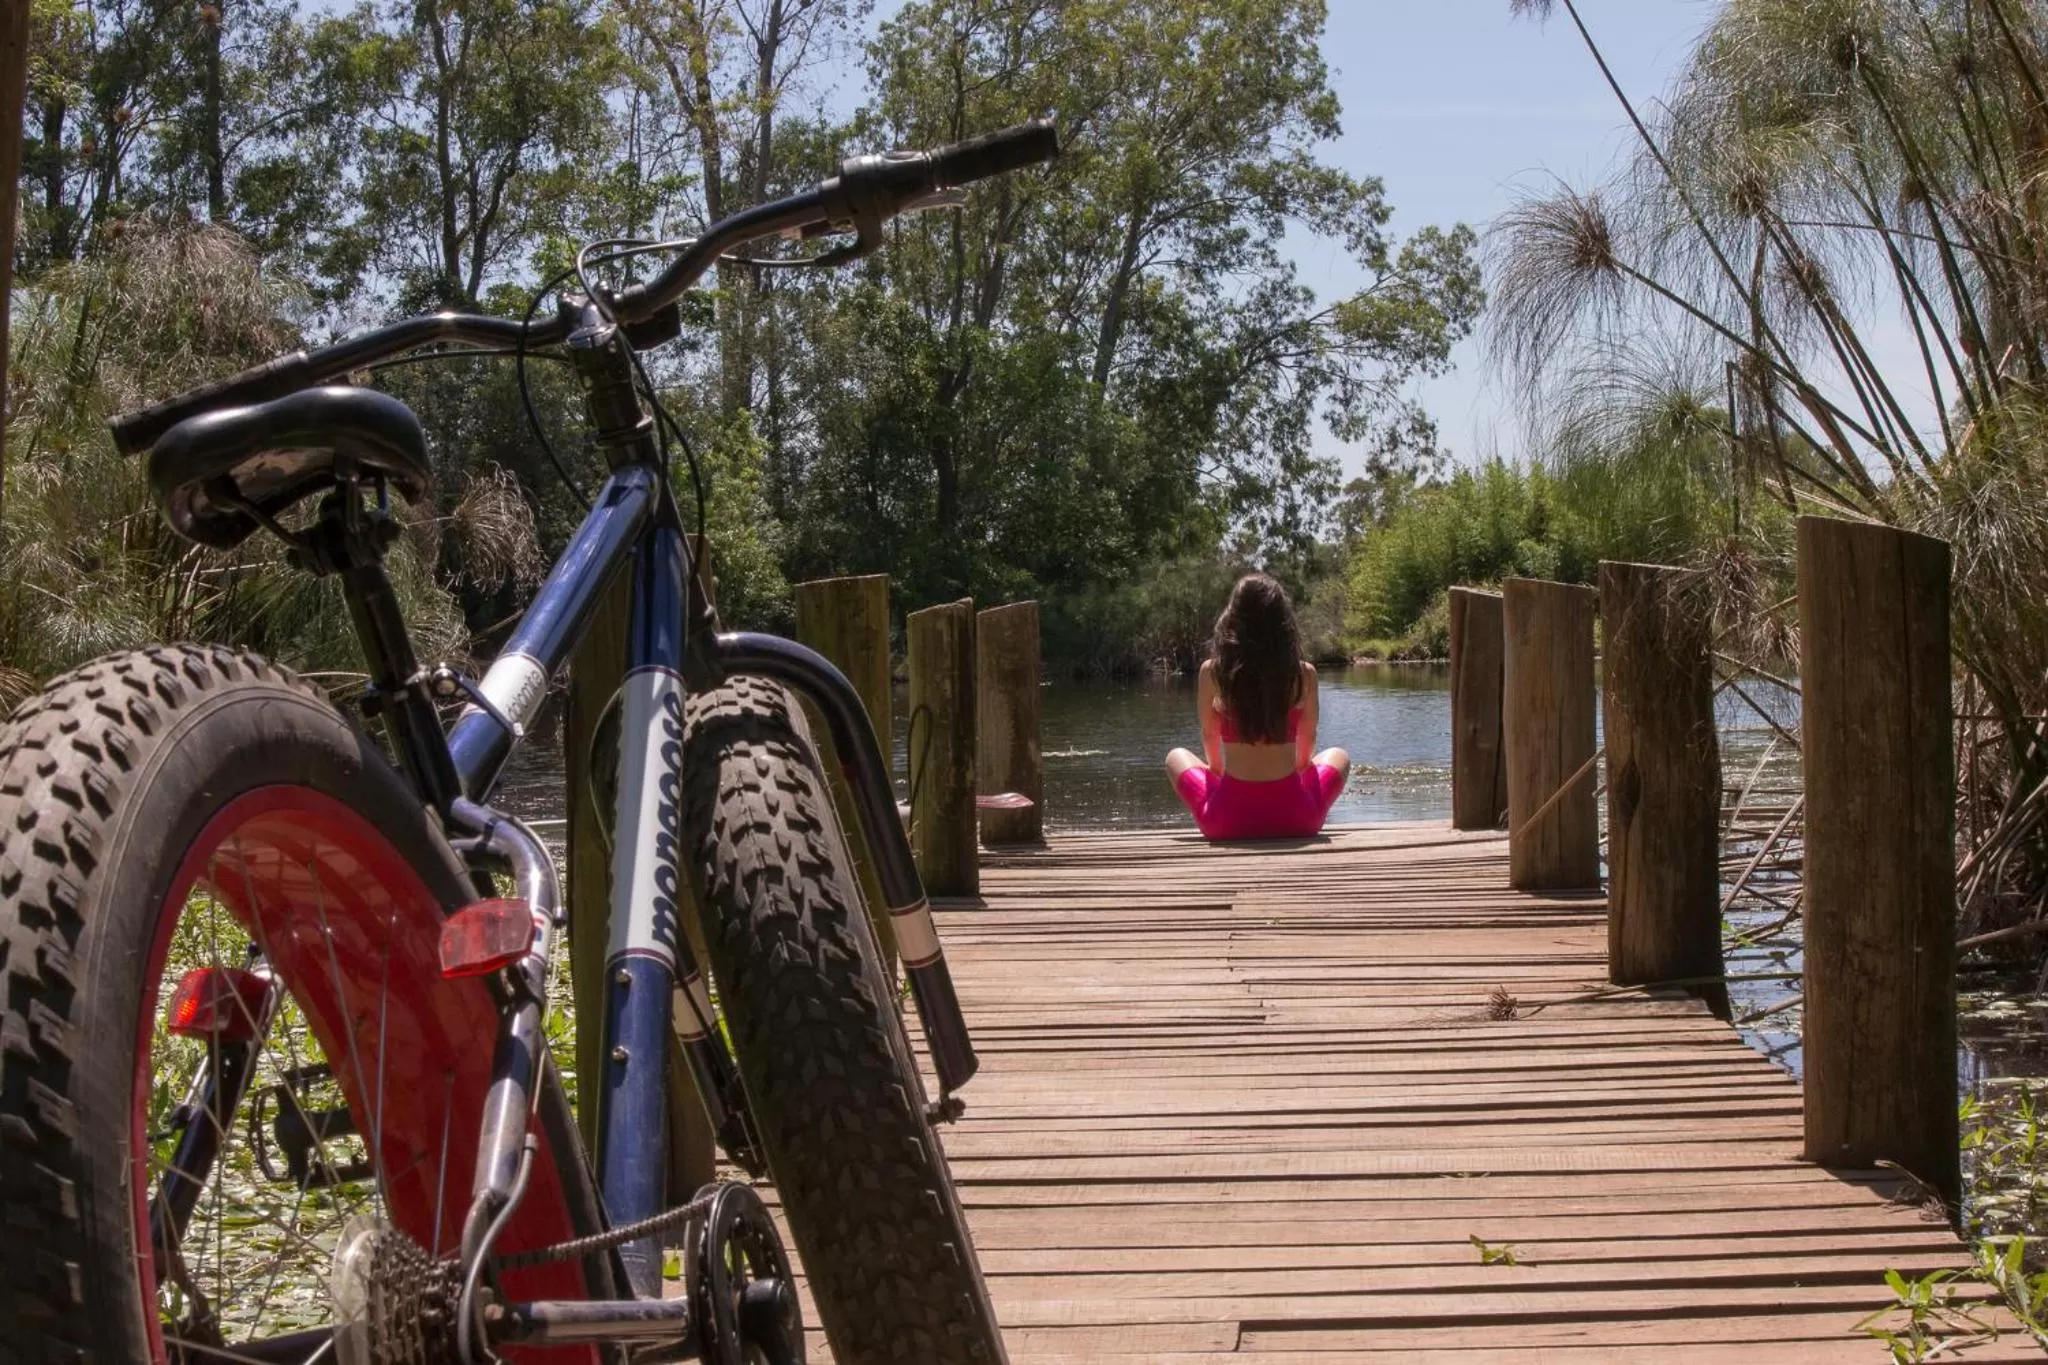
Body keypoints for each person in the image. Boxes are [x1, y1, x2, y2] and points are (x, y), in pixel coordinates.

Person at [1165, 573, 1351, 840]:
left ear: (1232, 618)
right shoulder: (1304, 674)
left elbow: (1209, 736)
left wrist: (1218, 776)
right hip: (1298, 818)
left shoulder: (1213, 672)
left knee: (1175, 756)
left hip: (1224, 821)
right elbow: (1306, 744)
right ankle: (1289, 799)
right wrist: (1294, 776)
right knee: (1338, 755)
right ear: (1283, 622)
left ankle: (1229, 797)